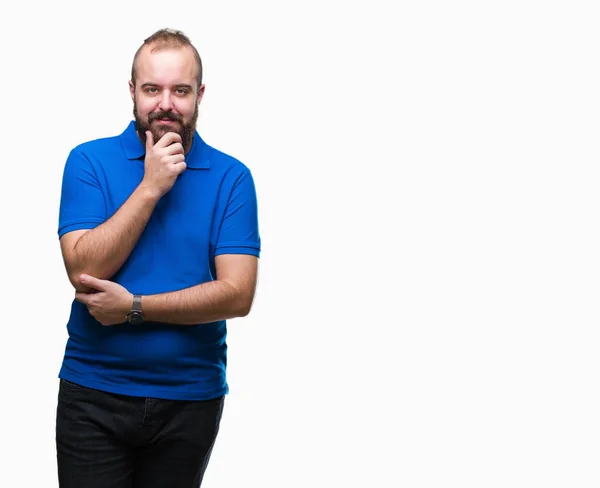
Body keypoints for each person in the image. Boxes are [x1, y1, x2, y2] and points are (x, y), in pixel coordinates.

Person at [54, 28, 261, 487]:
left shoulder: (232, 178)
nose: (165, 103)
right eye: (152, 89)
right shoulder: (89, 161)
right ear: (133, 92)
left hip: (190, 400)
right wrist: (150, 187)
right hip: (93, 395)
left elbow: (237, 294)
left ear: (199, 95)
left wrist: (134, 308)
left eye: (180, 90)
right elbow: (83, 269)